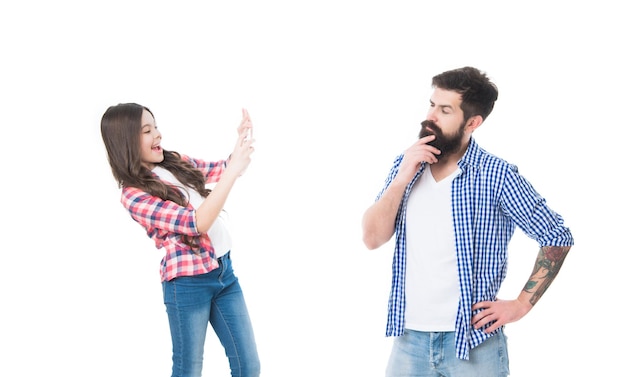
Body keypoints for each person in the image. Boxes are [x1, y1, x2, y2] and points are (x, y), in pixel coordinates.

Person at [361, 67, 573, 377]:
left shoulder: (497, 176)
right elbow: (371, 238)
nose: (431, 115)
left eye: (445, 110)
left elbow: (556, 235)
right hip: (409, 340)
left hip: (474, 343)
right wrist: (404, 174)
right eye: (432, 104)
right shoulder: (406, 164)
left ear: (472, 123)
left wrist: (520, 304)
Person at [100, 103, 261, 377]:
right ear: (125, 140)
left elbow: (221, 170)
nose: (158, 135)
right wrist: (233, 171)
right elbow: (196, 223)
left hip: (224, 274)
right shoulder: (133, 195)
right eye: (147, 131)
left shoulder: (173, 161)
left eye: (156, 127)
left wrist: (239, 143)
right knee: (189, 370)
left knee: (248, 366)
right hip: (188, 285)